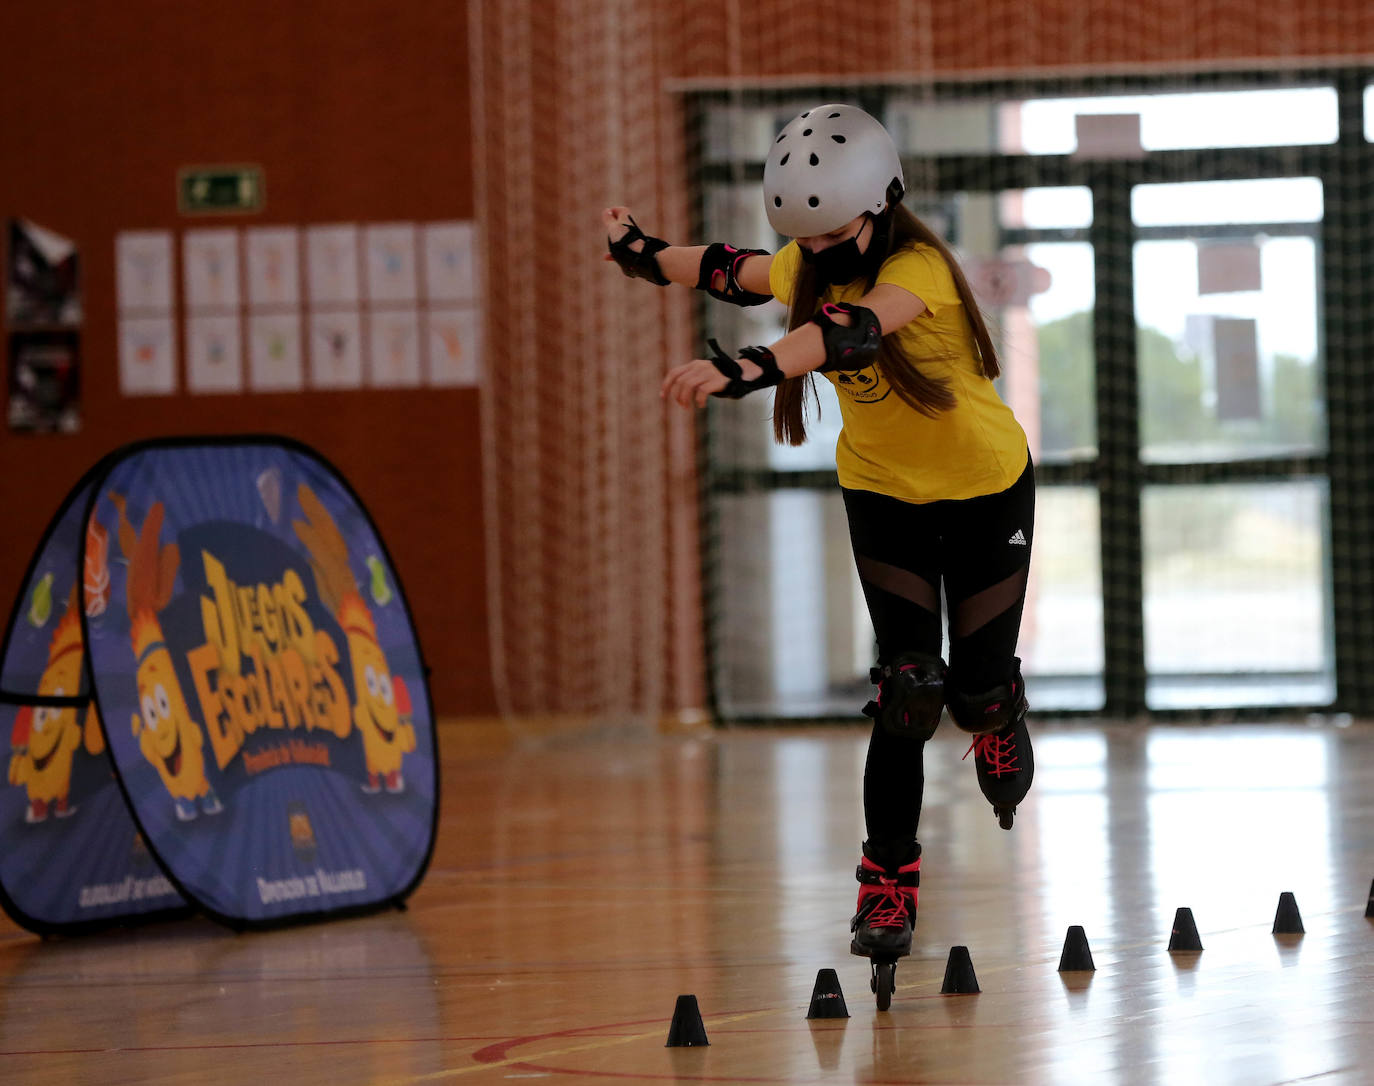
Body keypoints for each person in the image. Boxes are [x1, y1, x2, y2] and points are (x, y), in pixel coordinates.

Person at [603, 103, 1035, 972]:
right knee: (910, 685)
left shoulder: (920, 268)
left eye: (837, 234)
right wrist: (644, 256)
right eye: (812, 239)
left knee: (971, 689)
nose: (823, 254)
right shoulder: (812, 255)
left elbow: (851, 331)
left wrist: (747, 369)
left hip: (987, 489)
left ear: (880, 203)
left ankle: (997, 714)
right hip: (883, 493)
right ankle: (888, 881)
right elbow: (735, 271)